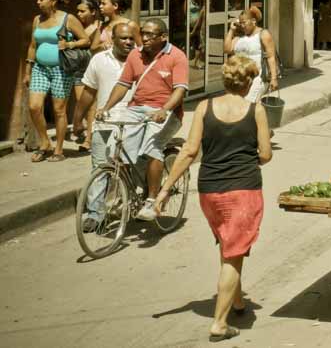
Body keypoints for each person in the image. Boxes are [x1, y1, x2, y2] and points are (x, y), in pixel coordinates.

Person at [155, 55, 272, 343]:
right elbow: (266, 155)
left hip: (209, 191)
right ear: (248, 83)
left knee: (228, 243)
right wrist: (247, 158)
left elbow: (189, 151)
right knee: (233, 255)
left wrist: (165, 189)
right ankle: (219, 323)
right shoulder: (256, 110)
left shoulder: (205, 107)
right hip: (243, 190)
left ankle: (238, 300)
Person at [96, 19, 188, 222]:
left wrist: (164, 109)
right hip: (136, 109)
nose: (144, 38)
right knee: (119, 150)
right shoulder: (135, 55)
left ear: (163, 37)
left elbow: (180, 89)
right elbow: (123, 84)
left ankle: (152, 201)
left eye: (150, 35)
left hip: (166, 111)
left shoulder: (177, 57)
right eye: (143, 33)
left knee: (151, 146)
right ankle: (127, 193)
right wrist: (106, 108)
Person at [76, 23, 135, 232]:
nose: (128, 42)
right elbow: (89, 92)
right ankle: (96, 214)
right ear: (113, 39)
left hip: (133, 123)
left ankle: (131, 202)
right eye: (123, 38)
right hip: (105, 123)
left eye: (131, 38)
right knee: (100, 168)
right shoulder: (99, 60)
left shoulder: (141, 60)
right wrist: (78, 118)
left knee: (133, 166)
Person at [24, 0, 91, 163]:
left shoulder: (68, 19)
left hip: (62, 69)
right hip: (40, 68)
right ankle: (45, 142)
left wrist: (69, 45)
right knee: (34, 107)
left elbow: (86, 40)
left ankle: (59, 149)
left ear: (53, 0)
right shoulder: (37, 20)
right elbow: (32, 45)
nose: (38, 2)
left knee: (58, 110)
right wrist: (28, 70)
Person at [224, 6, 278, 103]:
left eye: (244, 22)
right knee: (237, 105)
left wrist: (273, 78)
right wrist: (231, 30)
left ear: (253, 21)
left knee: (247, 104)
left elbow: (271, 57)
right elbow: (227, 49)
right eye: (240, 23)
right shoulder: (239, 37)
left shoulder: (263, 34)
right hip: (240, 79)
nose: (242, 25)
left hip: (257, 78)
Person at [71, 0, 101, 152]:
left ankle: (89, 139)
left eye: (83, 11)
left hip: (92, 69)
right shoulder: (75, 26)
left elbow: (96, 48)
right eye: (78, 11)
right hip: (78, 69)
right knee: (80, 102)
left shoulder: (99, 27)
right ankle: (84, 130)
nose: (79, 14)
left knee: (91, 106)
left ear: (93, 12)